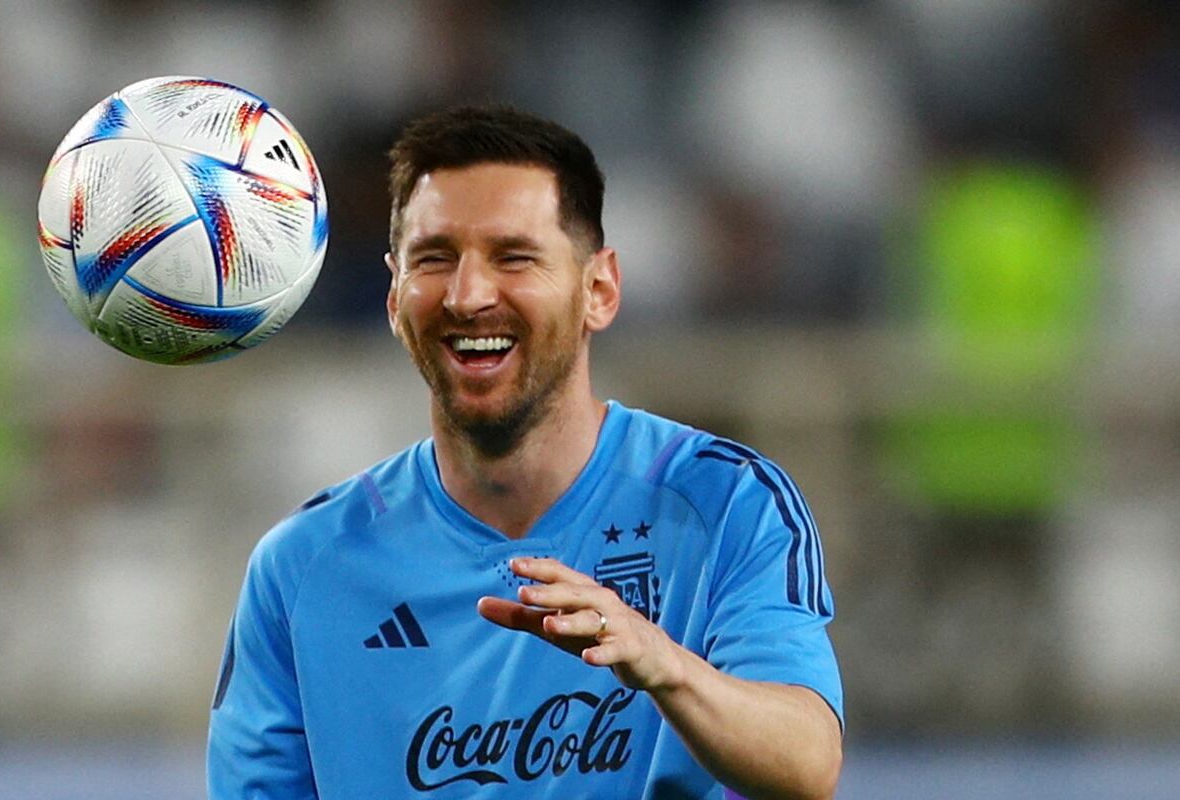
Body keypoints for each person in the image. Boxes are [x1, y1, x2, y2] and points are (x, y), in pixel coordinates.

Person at [208, 106, 843, 799]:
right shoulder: (303, 567)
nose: (469, 295)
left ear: (598, 290)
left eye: (514, 257)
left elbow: (807, 763)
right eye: (434, 258)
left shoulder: (727, 504)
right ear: (394, 296)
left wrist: (661, 662)